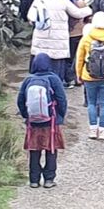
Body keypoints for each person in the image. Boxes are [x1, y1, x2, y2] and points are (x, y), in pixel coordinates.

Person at [16, 53, 67, 189]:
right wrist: (60, 117)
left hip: (33, 123)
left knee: (34, 150)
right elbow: (62, 99)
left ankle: (34, 180)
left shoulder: (28, 80)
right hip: (51, 121)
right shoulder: (53, 79)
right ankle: (49, 179)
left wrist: (26, 116)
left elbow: (20, 100)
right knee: (51, 149)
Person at [28, 0, 93, 82]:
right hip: (58, 40)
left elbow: (31, 17)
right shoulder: (63, 0)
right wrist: (88, 9)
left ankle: (40, 83)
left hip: (42, 38)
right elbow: (77, 13)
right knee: (57, 67)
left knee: (42, 61)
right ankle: (57, 84)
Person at [76, 12, 104, 141]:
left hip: (89, 76)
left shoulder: (87, 38)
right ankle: (103, 131)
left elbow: (80, 58)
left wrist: (78, 75)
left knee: (92, 103)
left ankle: (93, 130)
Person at [61, 0, 87, 88]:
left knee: (68, 59)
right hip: (80, 34)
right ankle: (79, 78)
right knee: (80, 58)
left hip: (68, 36)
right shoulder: (80, 4)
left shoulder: (62, 6)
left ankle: (69, 79)